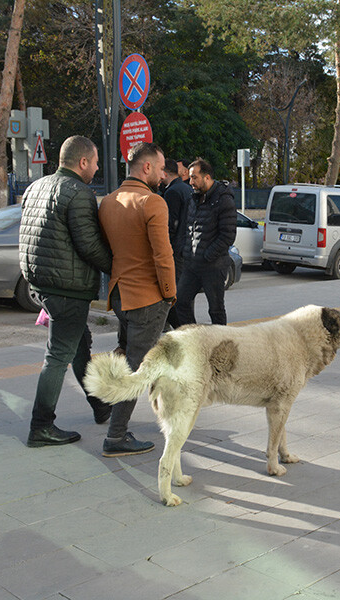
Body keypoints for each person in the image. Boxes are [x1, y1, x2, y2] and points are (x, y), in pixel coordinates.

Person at [20, 136, 113, 447]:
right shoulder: (78, 193)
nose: (97, 167)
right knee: (58, 355)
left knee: (79, 343)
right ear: (82, 162)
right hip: (67, 288)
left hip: (42, 284)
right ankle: (41, 426)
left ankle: (100, 405)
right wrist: (118, 268)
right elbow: (89, 245)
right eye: (96, 162)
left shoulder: (36, 187)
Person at [98, 142, 176, 457]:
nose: (162, 174)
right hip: (147, 297)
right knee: (138, 369)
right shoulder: (152, 202)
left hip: (120, 295)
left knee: (141, 358)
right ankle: (116, 437)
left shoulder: (108, 202)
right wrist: (170, 293)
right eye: (159, 168)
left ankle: (170, 410)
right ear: (146, 168)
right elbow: (163, 255)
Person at [176, 157, 236, 326]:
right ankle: (193, 339)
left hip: (213, 266)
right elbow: (185, 226)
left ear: (207, 177)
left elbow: (228, 235)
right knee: (181, 302)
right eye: (190, 177)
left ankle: (221, 344)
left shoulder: (224, 199)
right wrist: (183, 249)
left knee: (215, 309)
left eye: (194, 177)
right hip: (191, 265)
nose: (191, 181)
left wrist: (207, 255)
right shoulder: (193, 198)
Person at [160, 158, 193, 329]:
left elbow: (171, 224)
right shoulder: (187, 189)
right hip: (187, 249)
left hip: (176, 250)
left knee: (174, 296)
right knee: (185, 296)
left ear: (164, 173)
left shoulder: (171, 192)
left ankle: (184, 330)